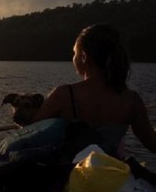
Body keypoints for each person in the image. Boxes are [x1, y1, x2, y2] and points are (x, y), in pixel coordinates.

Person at [32, 24, 156, 155]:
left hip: (71, 173)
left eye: (75, 53)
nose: (73, 58)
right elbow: (152, 143)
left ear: (84, 57)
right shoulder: (131, 100)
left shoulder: (64, 95)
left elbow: (31, 133)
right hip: (111, 172)